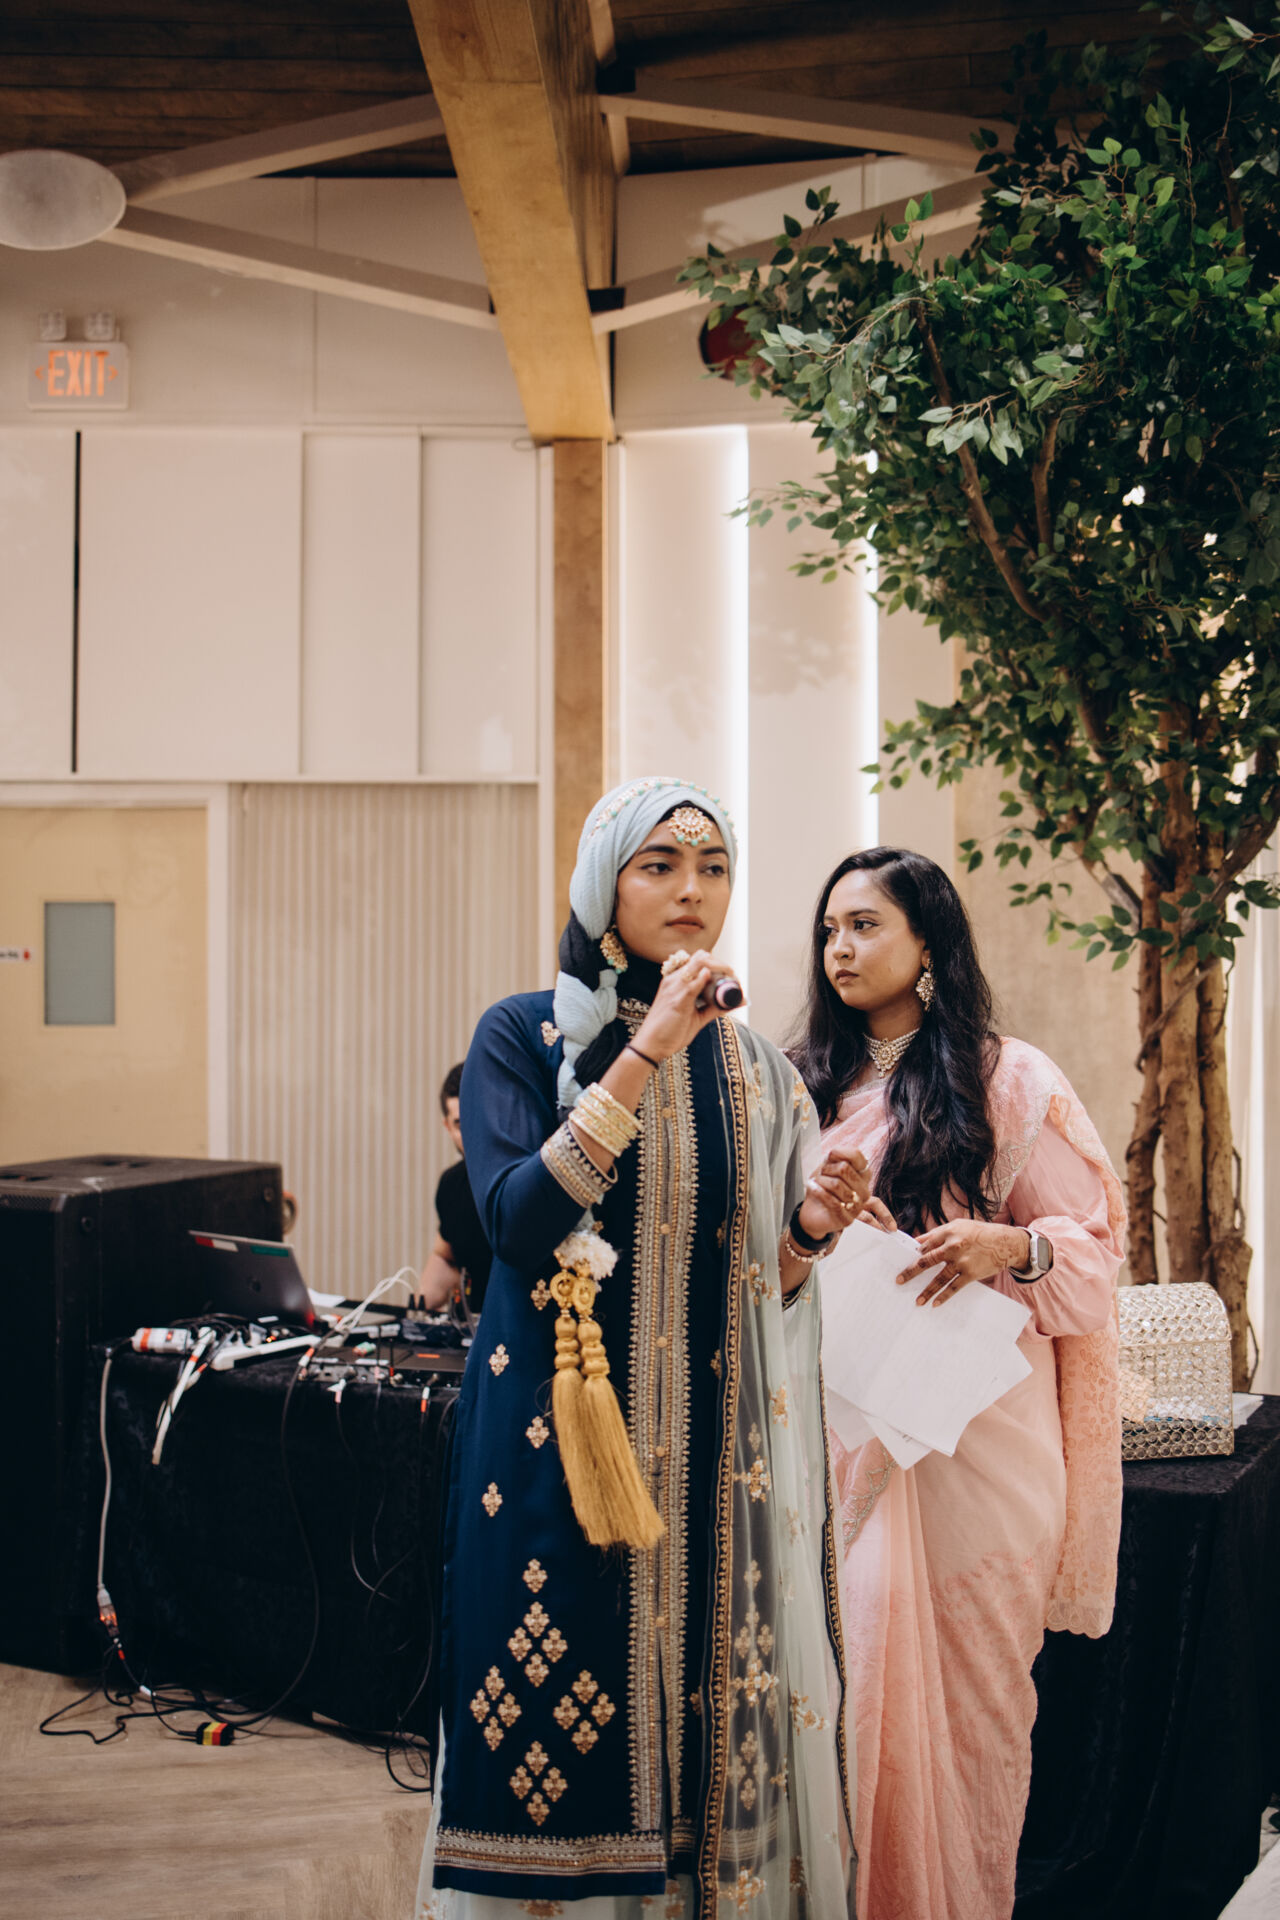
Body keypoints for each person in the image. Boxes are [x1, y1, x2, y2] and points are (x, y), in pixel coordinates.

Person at [416, 777, 868, 1919]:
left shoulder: (759, 1072)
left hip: (712, 1472)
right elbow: (515, 1223)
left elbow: (763, 1285)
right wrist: (648, 1045)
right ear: (602, 886)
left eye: (711, 867)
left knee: (700, 1734)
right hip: (558, 1455)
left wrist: (811, 1228)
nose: (689, 889)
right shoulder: (520, 1035)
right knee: (569, 1720)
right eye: (658, 865)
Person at [790, 846, 1124, 1920]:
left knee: (972, 1725)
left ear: (927, 943)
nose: (840, 948)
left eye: (865, 926)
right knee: (839, 1702)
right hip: (843, 1440)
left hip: (978, 1446)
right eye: (829, 930)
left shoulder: (1007, 1080)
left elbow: (1093, 1261)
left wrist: (1006, 1248)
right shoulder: (798, 1087)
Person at [421, 1064, 493, 1316]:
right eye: (461, 1124)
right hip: (474, 1329)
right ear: (447, 1127)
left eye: (478, 1119)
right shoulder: (451, 1184)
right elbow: (446, 1257)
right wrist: (416, 1307)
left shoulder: (525, 1175)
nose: (472, 1134)